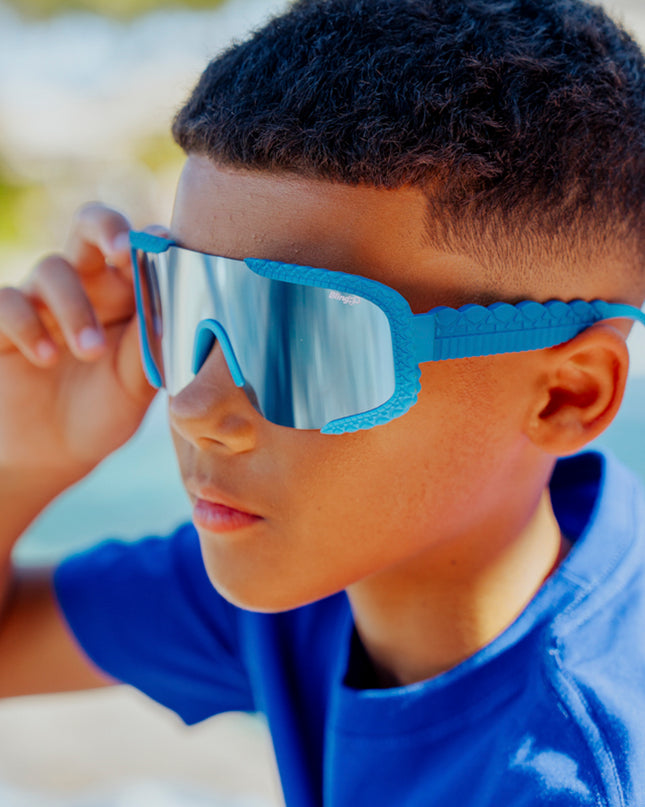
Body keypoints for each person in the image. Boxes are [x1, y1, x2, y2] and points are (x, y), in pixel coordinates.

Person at [1, 0, 645, 803]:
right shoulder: (318, 583)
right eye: (183, 293)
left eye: (307, 337)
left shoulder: (575, 779)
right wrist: (23, 456)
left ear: (566, 394)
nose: (196, 404)